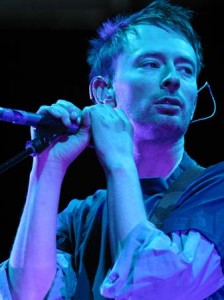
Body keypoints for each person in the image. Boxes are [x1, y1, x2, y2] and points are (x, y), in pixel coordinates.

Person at [0, 0, 224, 299]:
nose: (173, 79)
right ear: (103, 92)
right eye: (151, 64)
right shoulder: (83, 216)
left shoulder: (217, 189)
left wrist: (119, 161)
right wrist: (47, 166)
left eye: (186, 69)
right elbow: (24, 293)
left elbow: (158, 289)